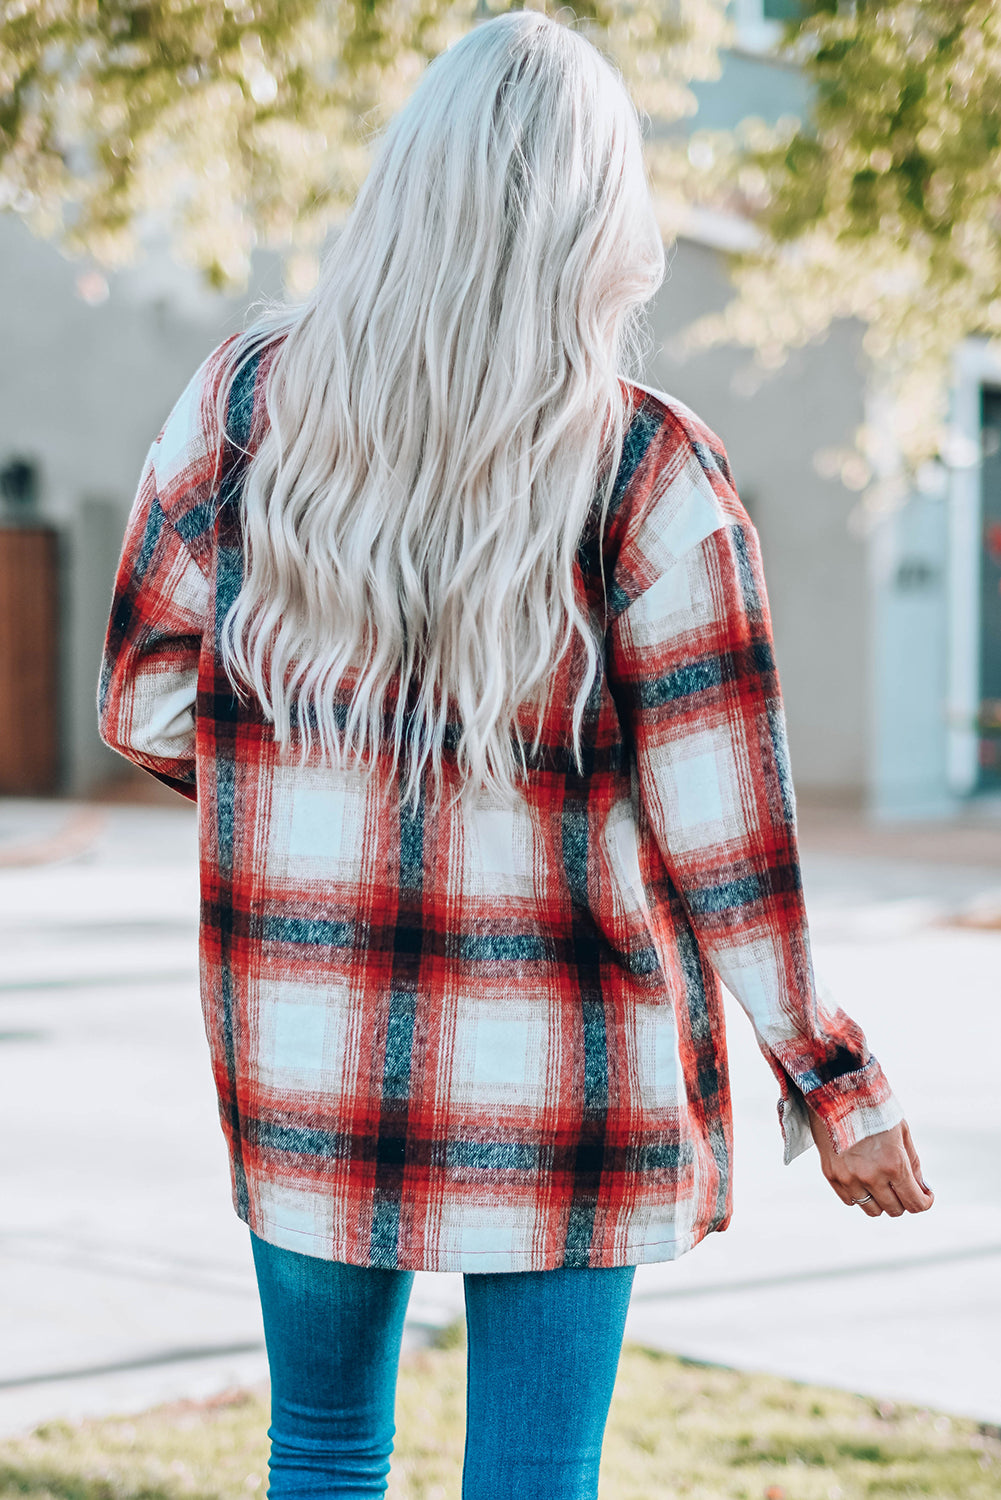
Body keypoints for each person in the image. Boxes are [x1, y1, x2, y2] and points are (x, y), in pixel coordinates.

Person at [97, 10, 934, 1499]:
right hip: (569, 1078)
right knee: (535, 1475)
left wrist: (313, 791)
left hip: (303, 1045)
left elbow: (149, 706)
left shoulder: (238, 405)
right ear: (600, 217)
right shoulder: (646, 470)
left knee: (322, 1453)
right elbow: (724, 837)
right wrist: (835, 1081)